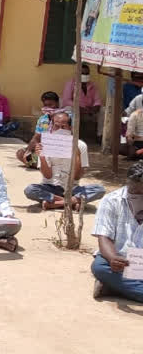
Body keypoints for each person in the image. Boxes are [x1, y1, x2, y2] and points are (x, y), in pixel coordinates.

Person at [24, 112, 106, 210]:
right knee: (30, 190)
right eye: (56, 126)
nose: (59, 130)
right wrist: (41, 157)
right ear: (52, 127)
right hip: (51, 187)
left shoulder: (80, 145)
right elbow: (47, 176)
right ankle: (72, 202)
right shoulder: (45, 144)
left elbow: (77, 176)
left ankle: (57, 203)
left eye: (63, 127)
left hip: (73, 188)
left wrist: (76, 153)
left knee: (99, 189)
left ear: (70, 128)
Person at [90, 161, 143, 303]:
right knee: (100, 267)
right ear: (132, 183)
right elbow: (104, 237)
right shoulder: (111, 200)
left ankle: (113, 287)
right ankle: (125, 286)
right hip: (119, 261)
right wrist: (112, 258)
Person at [16, 91, 62, 169]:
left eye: (51, 105)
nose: (48, 108)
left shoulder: (65, 117)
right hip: (44, 150)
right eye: (45, 105)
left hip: (59, 149)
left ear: (57, 104)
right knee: (21, 153)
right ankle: (44, 166)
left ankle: (44, 166)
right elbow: (36, 137)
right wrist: (28, 151)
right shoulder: (42, 119)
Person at [62, 63, 102, 143]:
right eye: (82, 73)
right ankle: (73, 136)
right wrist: (79, 107)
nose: (85, 75)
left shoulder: (92, 85)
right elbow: (66, 100)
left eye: (86, 73)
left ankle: (100, 135)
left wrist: (95, 107)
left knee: (103, 110)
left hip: (89, 110)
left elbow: (97, 100)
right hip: (76, 109)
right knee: (70, 109)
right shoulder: (70, 84)